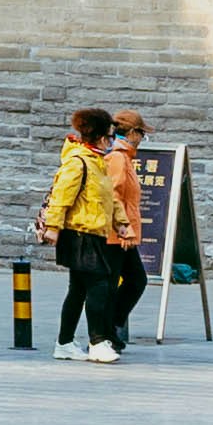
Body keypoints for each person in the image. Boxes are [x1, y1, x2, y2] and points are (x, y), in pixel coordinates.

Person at [43, 105, 134, 359]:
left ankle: (64, 343)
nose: (112, 141)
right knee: (99, 285)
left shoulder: (97, 162)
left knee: (78, 290)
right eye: (110, 136)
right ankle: (97, 342)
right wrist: (52, 227)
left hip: (95, 232)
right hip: (79, 233)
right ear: (101, 137)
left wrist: (121, 222)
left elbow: (110, 198)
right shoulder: (79, 162)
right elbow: (61, 196)